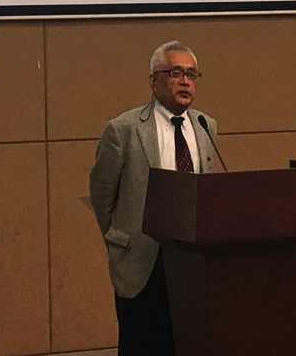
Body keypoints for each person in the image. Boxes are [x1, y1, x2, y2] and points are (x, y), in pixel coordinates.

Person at [89, 40, 217, 356]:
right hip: (142, 258)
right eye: (176, 73)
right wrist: (119, 239)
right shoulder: (124, 129)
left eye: (191, 74)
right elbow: (102, 193)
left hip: (190, 259)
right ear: (154, 80)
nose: (185, 81)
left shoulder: (205, 126)